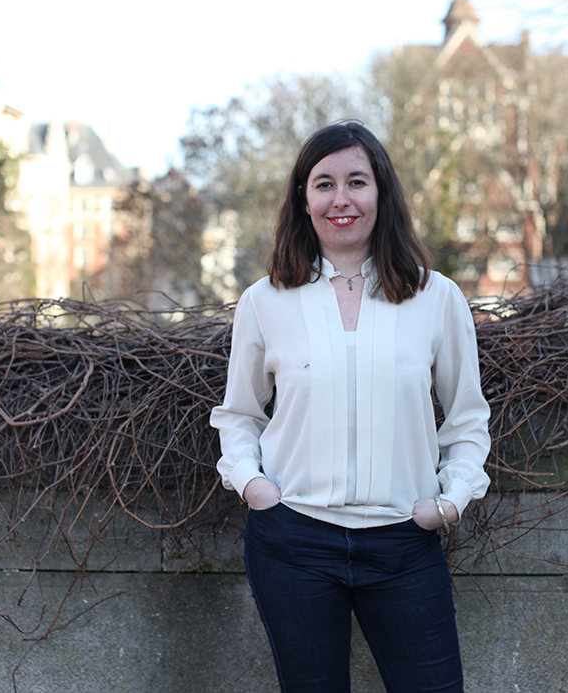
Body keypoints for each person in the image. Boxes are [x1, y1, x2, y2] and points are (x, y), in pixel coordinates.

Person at [210, 121, 491, 693]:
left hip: (404, 542)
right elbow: (240, 414)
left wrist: (451, 501)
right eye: (324, 184)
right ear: (303, 199)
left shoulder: (436, 296)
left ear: (381, 192)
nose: (341, 199)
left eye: (357, 182)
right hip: (294, 543)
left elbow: (466, 419)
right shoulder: (264, 301)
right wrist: (252, 485)